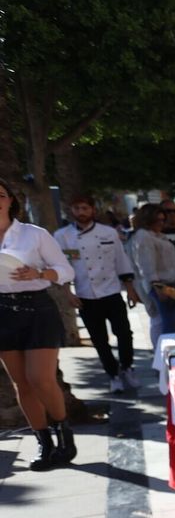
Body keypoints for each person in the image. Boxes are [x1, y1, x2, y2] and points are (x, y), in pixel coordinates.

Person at [0, 177, 77, 469]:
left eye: (1, 194)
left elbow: (65, 270)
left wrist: (39, 274)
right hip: (3, 311)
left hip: (38, 310)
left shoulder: (34, 234)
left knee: (40, 378)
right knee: (22, 384)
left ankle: (64, 436)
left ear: (10, 200)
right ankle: (44, 443)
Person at [55, 194, 142, 395]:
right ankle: (112, 374)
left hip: (111, 291)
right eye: (77, 208)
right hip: (85, 294)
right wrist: (67, 292)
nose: (81, 212)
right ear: (71, 211)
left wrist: (130, 289)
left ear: (93, 210)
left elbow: (121, 260)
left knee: (124, 333)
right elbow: (62, 266)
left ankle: (127, 367)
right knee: (99, 339)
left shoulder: (108, 233)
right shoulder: (62, 236)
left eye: (85, 208)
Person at [127, 203, 175, 341]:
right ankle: (163, 354)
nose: (161, 223)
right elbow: (146, 265)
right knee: (164, 322)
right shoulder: (143, 237)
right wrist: (157, 286)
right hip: (161, 285)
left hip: (173, 282)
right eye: (158, 220)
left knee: (170, 322)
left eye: (163, 220)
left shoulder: (158, 236)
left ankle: (168, 351)